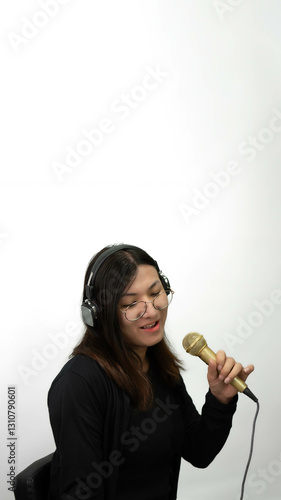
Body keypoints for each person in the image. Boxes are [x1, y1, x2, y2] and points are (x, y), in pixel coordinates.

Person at [47, 244, 254, 500]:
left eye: (156, 293)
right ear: (99, 314)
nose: (153, 311)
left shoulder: (158, 366)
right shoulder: (79, 383)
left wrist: (220, 399)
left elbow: (198, 452)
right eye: (131, 303)